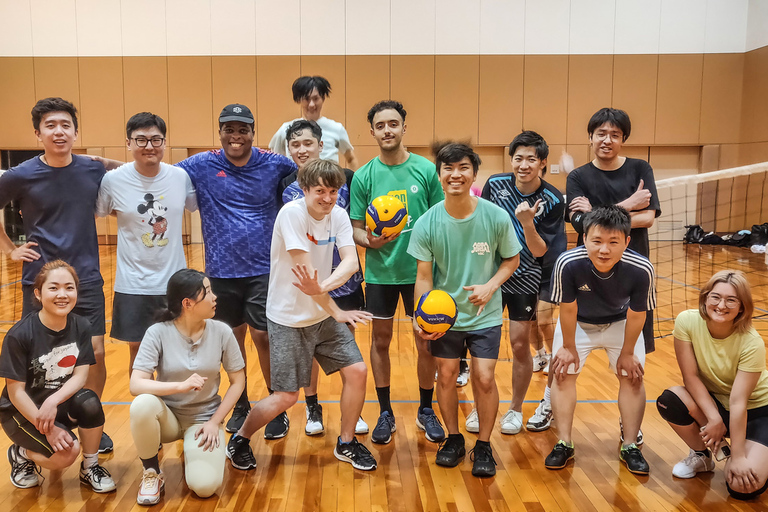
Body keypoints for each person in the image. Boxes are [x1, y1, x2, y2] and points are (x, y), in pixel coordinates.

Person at [227, 159, 376, 472]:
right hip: (289, 319)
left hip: (321, 314)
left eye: (333, 191)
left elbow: (350, 262)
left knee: (358, 372)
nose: (327, 197)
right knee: (285, 397)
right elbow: (305, 274)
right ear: (305, 189)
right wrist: (335, 308)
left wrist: (324, 291)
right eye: (320, 190)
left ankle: (346, 443)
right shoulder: (291, 214)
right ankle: (239, 438)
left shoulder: (338, 216)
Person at [0, 97, 113, 453]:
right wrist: (9, 249)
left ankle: (86, 417)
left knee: (94, 352)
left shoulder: (92, 169)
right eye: (50, 126)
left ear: (75, 131)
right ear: (38, 134)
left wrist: (109, 160)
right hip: (41, 280)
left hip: (87, 278)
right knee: (40, 359)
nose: (59, 131)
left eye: (65, 125)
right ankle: (38, 423)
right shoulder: (20, 175)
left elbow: (140, 172)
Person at [177, 104, 297, 438]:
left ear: (252, 133)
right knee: (230, 339)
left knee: (263, 336)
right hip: (220, 271)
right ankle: (240, 402)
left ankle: (276, 404)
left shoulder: (275, 163)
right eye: (229, 129)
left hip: (263, 268)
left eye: (242, 129)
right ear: (220, 132)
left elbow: (307, 173)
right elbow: (160, 174)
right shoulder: (202, 164)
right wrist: (111, 165)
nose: (236, 136)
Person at [408, 143, 520, 477]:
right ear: (439, 175)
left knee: (484, 378)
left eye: (463, 168)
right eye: (448, 168)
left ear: (474, 173)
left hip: (485, 314)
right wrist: (420, 317)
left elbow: (511, 259)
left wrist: (491, 285)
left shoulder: (495, 216)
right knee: (444, 375)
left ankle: (483, 444)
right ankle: (454, 438)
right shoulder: (428, 223)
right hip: (446, 318)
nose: (455, 174)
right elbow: (424, 277)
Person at [349, 100, 445, 445]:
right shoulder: (364, 176)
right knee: (380, 341)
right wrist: (369, 242)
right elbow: (356, 227)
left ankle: (425, 408)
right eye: (380, 125)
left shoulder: (426, 170)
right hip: (380, 274)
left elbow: (440, 219)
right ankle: (386, 411)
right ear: (372, 131)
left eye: (393, 124)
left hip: (421, 272)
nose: (387, 130)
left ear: (405, 127)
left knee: (425, 339)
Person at [546, 205, 655, 475]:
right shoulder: (567, 263)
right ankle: (564, 442)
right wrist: (568, 348)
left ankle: (630, 445)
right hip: (579, 323)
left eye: (613, 242)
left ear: (627, 242)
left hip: (621, 323)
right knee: (563, 372)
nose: (603, 250)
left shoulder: (641, 268)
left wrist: (628, 353)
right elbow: (568, 309)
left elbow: (637, 314)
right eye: (596, 241)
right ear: (584, 238)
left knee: (633, 376)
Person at [277, 119, 368, 436]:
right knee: (310, 351)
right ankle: (312, 406)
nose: (302, 149)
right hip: (306, 282)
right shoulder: (285, 182)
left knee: (348, 349)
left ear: (321, 145)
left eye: (307, 143)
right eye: (295, 144)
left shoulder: (348, 179)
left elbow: (353, 225)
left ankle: (352, 414)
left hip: (343, 281)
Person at [129, 269, 245, 505]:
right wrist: (180, 386)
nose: (215, 298)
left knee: (205, 488)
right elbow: (136, 383)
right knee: (142, 404)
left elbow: (238, 381)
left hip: (203, 421)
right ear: (188, 303)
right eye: (208, 292)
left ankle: (200, 448)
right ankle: (152, 473)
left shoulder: (222, 332)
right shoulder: (157, 333)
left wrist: (215, 422)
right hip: (168, 417)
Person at [95, 112, 197, 374]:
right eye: (140, 140)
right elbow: (100, 211)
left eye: (156, 139)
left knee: (178, 351)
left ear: (164, 143)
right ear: (128, 143)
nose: (149, 146)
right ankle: (144, 411)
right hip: (133, 283)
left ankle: (176, 410)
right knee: (138, 352)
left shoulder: (179, 177)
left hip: (174, 283)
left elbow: (198, 206)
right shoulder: (113, 180)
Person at [0, 261, 115, 492]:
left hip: (55, 405)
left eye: (69, 288)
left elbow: (81, 376)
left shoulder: (81, 325)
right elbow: (15, 392)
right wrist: (48, 429)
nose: (62, 294)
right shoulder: (19, 335)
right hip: (21, 411)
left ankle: (90, 467)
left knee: (90, 401)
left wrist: (53, 401)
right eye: (53, 288)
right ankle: (21, 453)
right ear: (38, 293)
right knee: (66, 454)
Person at [480, 131, 565, 436]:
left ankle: (515, 409)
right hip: (490, 275)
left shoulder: (554, 200)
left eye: (531, 159)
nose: (524, 164)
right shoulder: (496, 184)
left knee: (518, 343)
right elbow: (481, 223)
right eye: (519, 158)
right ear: (511, 160)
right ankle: (483, 405)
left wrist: (528, 222)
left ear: (543, 163)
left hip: (526, 276)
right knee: (482, 340)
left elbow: (542, 250)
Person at [656, 270, 768, 501]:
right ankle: (702, 456)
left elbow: (739, 402)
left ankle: (747, 453)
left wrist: (738, 458)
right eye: (715, 297)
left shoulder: (752, 342)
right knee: (671, 400)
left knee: (742, 487)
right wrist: (714, 419)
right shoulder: (687, 321)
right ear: (705, 298)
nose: (721, 305)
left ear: (742, 307)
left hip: (758, 410)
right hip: (717, 404)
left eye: (731, 300)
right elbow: (691, 377)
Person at [269, 76, 358, 168]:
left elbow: (351, 158)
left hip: (329, 180)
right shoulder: (286, 129)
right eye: (307, 99)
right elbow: (275, 160)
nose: (311, 104)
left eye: (316, 99)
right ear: (299, 99)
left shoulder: (336, 128)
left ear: (323, 99)